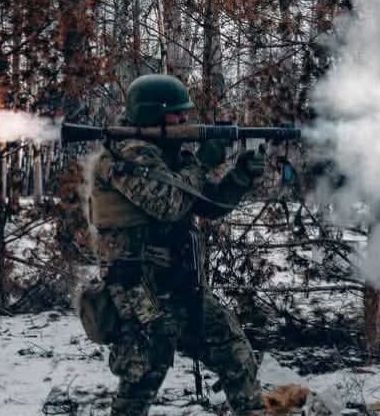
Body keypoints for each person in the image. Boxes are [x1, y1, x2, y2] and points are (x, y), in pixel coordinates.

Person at [87, 74, 267, 416]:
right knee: (141, 380)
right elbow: (167, 204)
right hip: (140, 287)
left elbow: (205, 205)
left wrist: (241, 177)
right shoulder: (127, 155)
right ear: (153, 114)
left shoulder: (169, 154)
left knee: (235, 353)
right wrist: (203, 161)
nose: (184, 120)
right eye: (177, 115)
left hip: (181, 281)